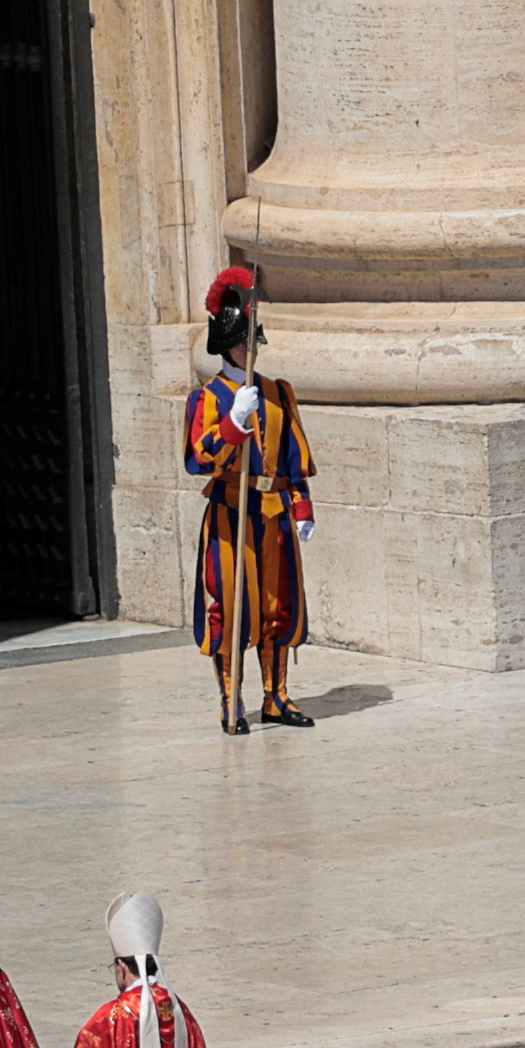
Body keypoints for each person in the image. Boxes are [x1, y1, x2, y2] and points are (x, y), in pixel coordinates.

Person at [183, 263, 318, 730]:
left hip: (275, 514)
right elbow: (198, 460)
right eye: (242, 340)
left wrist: (302, 508)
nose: (249, 348)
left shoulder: (278, 392)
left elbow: (294, 459)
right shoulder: (208, 399)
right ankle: (229, 700)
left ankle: (276, 697)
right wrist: (235, 424)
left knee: (278, 607)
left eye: (252, 340)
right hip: (230, 514)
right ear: (225, 343)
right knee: (231, 608)